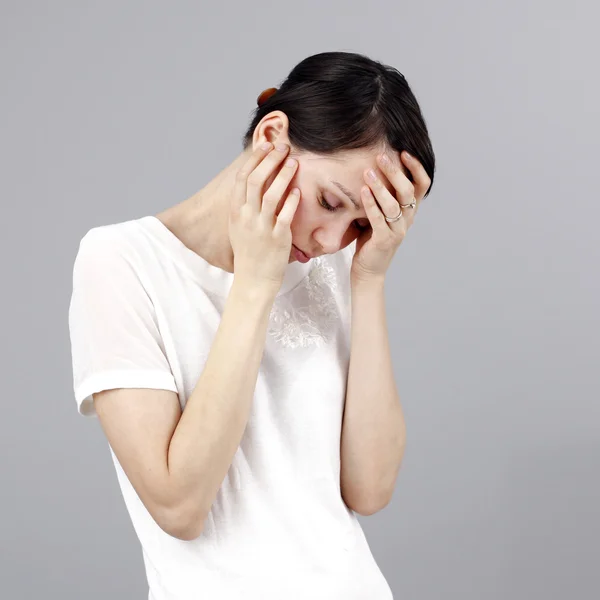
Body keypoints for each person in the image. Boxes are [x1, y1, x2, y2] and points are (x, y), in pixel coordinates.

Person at [68, 51, 435, 600]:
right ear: (271, 137)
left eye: (359, 222)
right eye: (329, 201)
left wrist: (370, 279)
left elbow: (371, 488)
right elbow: (179, 506)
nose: (331, 241)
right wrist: (256, 282)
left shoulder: (336, 264)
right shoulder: (122, 263)